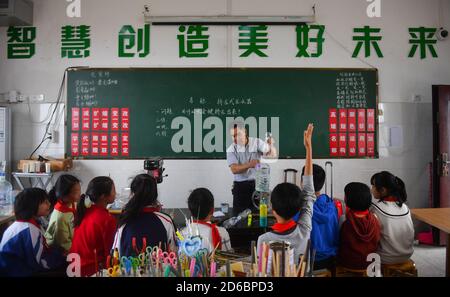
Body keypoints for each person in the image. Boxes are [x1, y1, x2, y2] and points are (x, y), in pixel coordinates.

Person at [257, 124, 315, 263]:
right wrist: (308, 149)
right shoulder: (304, 230)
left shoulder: (264, 240)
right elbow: (308, 193)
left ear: (272, 209)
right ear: (298, 208)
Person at [0, 188, 65, 276]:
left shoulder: (24, 224)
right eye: (45, 202)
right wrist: (61, 256)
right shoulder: (29, 229)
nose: (49, 204)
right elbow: (41, 262)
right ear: (32, 205)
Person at [113, 174, 177, 256]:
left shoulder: (125, 220)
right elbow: (174, 253)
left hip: (129, 269)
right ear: (155, 195)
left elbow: (115, 254)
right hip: (161, 268)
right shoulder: (166, 221)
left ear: (133, 194)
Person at [226, 121, 278, 216]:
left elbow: (272, 155)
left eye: (238, 134)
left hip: (258, 186)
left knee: (259, 217)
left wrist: (271, 145)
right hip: (240, 188)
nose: (235, 139)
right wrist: (250, 164)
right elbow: (234, 169)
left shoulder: (257, 142)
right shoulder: (231, 149)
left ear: (245, 132)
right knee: (239, 220)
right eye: (233, 136)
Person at [69, 176, 117, 277]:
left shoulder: (85, 211)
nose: (115, 193)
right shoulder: (106, 219)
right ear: (103, 196)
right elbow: (110, 253)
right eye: (114, 190)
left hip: (74, 268)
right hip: (91, 271)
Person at [370, 171, 414, 265]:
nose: (371, 189)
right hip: (407, 254)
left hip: (387, 257)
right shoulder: (404, 207)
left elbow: (373, 237)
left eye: (373, 186)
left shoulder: (377, 209)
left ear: (383, 190)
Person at [337, 182, 380, 270]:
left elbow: (338, 239)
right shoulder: (375, 218)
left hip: (348, 262)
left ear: (347, 200)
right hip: (371, 262)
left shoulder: (344, 219)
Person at [181, 188, 233, 252]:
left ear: (190, 210)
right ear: (212, 210)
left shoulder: (183, 234)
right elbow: (228, 257)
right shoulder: (222, 232)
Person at [45, 174, 81, 253]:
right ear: (65, 194)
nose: (79, 194)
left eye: (79, 190)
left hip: (71, 245)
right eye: (76, 192)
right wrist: (79, 250)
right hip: (62, 254)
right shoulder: (60, 217)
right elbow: (63, 245)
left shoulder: (71, 204)